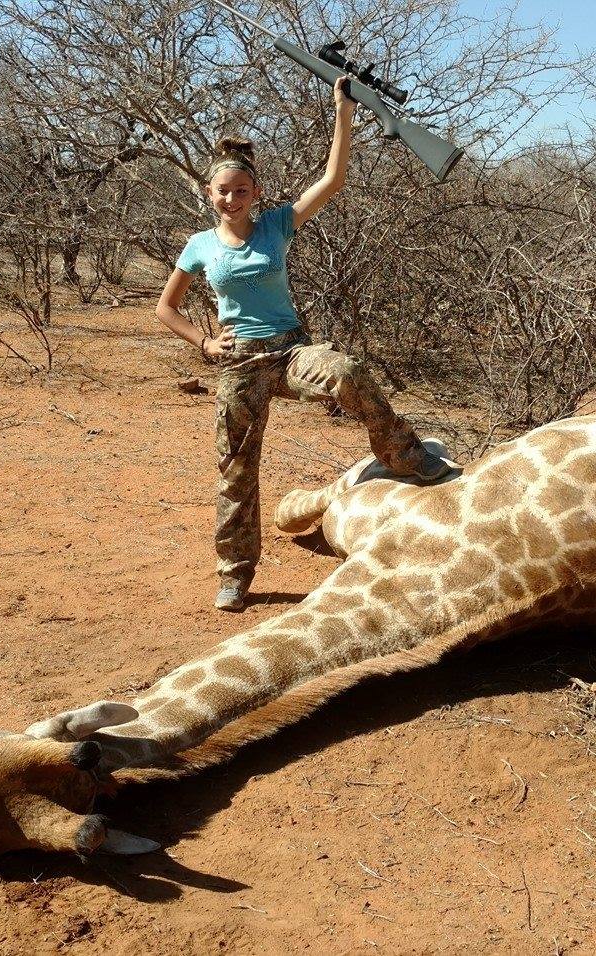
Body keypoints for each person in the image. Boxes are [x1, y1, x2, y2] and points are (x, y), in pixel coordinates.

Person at [156, 78, 449, 613]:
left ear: (255, 194)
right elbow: (165, 308)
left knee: (346, 371)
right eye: (222, 191)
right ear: (209, 195)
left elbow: (334, 178)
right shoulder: (199, 245)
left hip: (291, 351)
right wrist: (204, 342)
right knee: (236, 469)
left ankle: (406, 455)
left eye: (241, 190)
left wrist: (343, 110)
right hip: (240, 361)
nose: (231, 198)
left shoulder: (277, 225)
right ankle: (235, 575)